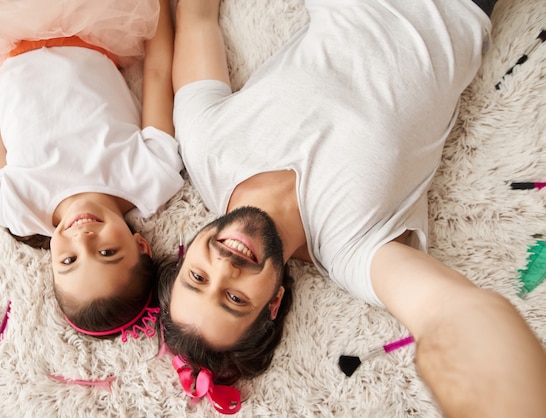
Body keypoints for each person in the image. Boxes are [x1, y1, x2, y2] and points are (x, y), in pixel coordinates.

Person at [158, 0, 546, 416]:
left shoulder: (204, 147)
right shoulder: (353, 250)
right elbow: (447, 311)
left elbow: (197, 19)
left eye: (197, 277)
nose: (225, 266)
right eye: (234, 298)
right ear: (273, 303)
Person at [0, 0, 184, 340]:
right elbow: (159, 73)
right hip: (87, 23)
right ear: (141, 246)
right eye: (107, 252)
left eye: (69, 261)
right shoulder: (150, 175)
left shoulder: (17, 205)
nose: (83, 240)